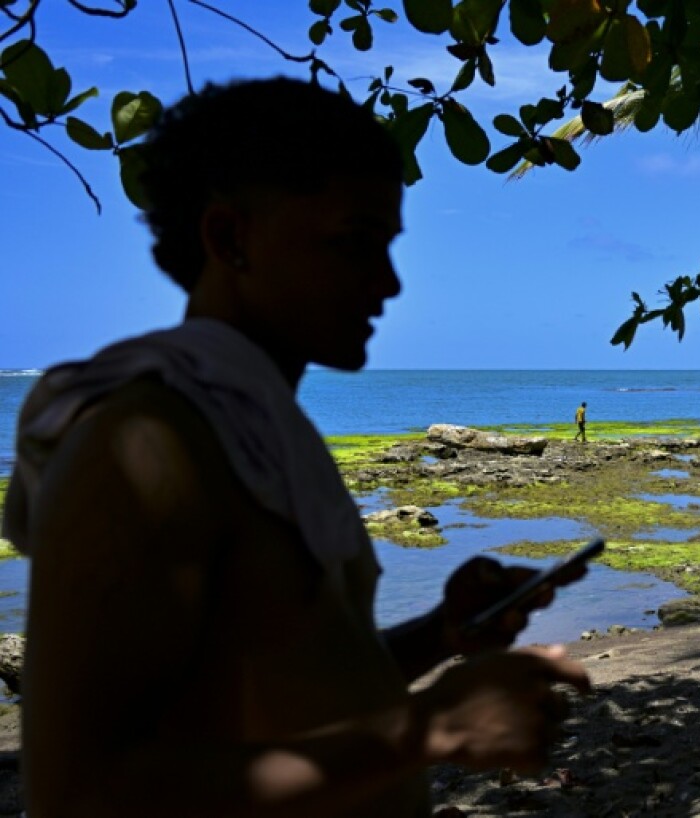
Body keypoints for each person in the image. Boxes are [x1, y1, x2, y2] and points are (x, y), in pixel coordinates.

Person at [1, 78, 589, 818]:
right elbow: (79, 795)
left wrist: (439, 635)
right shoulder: (145, 445)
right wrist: (425, 730)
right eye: (354, 242)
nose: (388, 282)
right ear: (229, 238)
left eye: (388, 245)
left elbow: (291, 688)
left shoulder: (257, 434)